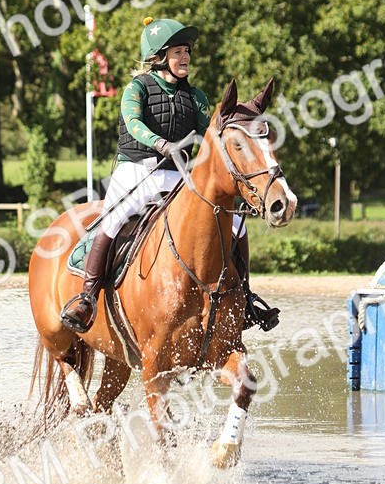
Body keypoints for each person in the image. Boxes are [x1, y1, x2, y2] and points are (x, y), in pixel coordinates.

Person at [60, 17, 279, 334]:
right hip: (136, 170)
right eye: (178, 51)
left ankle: (244, 298)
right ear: (159, 56)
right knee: (113, 218)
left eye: (187, 51)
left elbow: (211, 140)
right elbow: (134, 124)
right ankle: (87, 298)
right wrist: (161, 143)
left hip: (178, 175)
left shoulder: (198, 98)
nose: (186, 57)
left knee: (236, 224)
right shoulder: (137, 89)